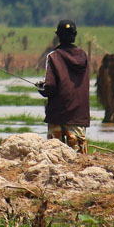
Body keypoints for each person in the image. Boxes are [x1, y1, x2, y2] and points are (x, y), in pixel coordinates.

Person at [38, 19, 90, 153]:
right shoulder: (83, 56)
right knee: (79, 162)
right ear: (75, 35)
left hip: (57, 116)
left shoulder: (54, 56)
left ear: (58, 36)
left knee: (55, 159)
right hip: (78, 117)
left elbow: (50, 86)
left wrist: (41, 88)